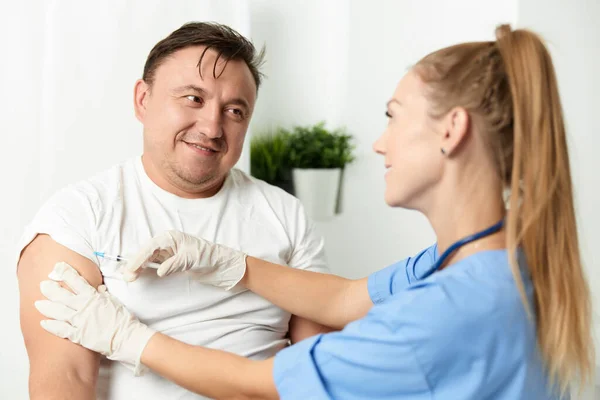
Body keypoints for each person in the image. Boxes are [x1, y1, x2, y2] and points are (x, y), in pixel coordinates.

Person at [35, 24, 593, 399]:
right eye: (192, 98)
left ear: (452, 131)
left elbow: (272, 382)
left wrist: (130, 339)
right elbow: (347, 298)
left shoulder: (444, 309)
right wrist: (233, 264)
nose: (377, 143)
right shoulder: (469, 265)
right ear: (142, 99)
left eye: (392, 117)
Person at [16, 22, 331, 400]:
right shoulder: (77, 217)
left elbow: (316, 374)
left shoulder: (285, 216)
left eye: (234, 110)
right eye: (193, 99)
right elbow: (64, 382)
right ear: (143, 100)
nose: (213, 127)